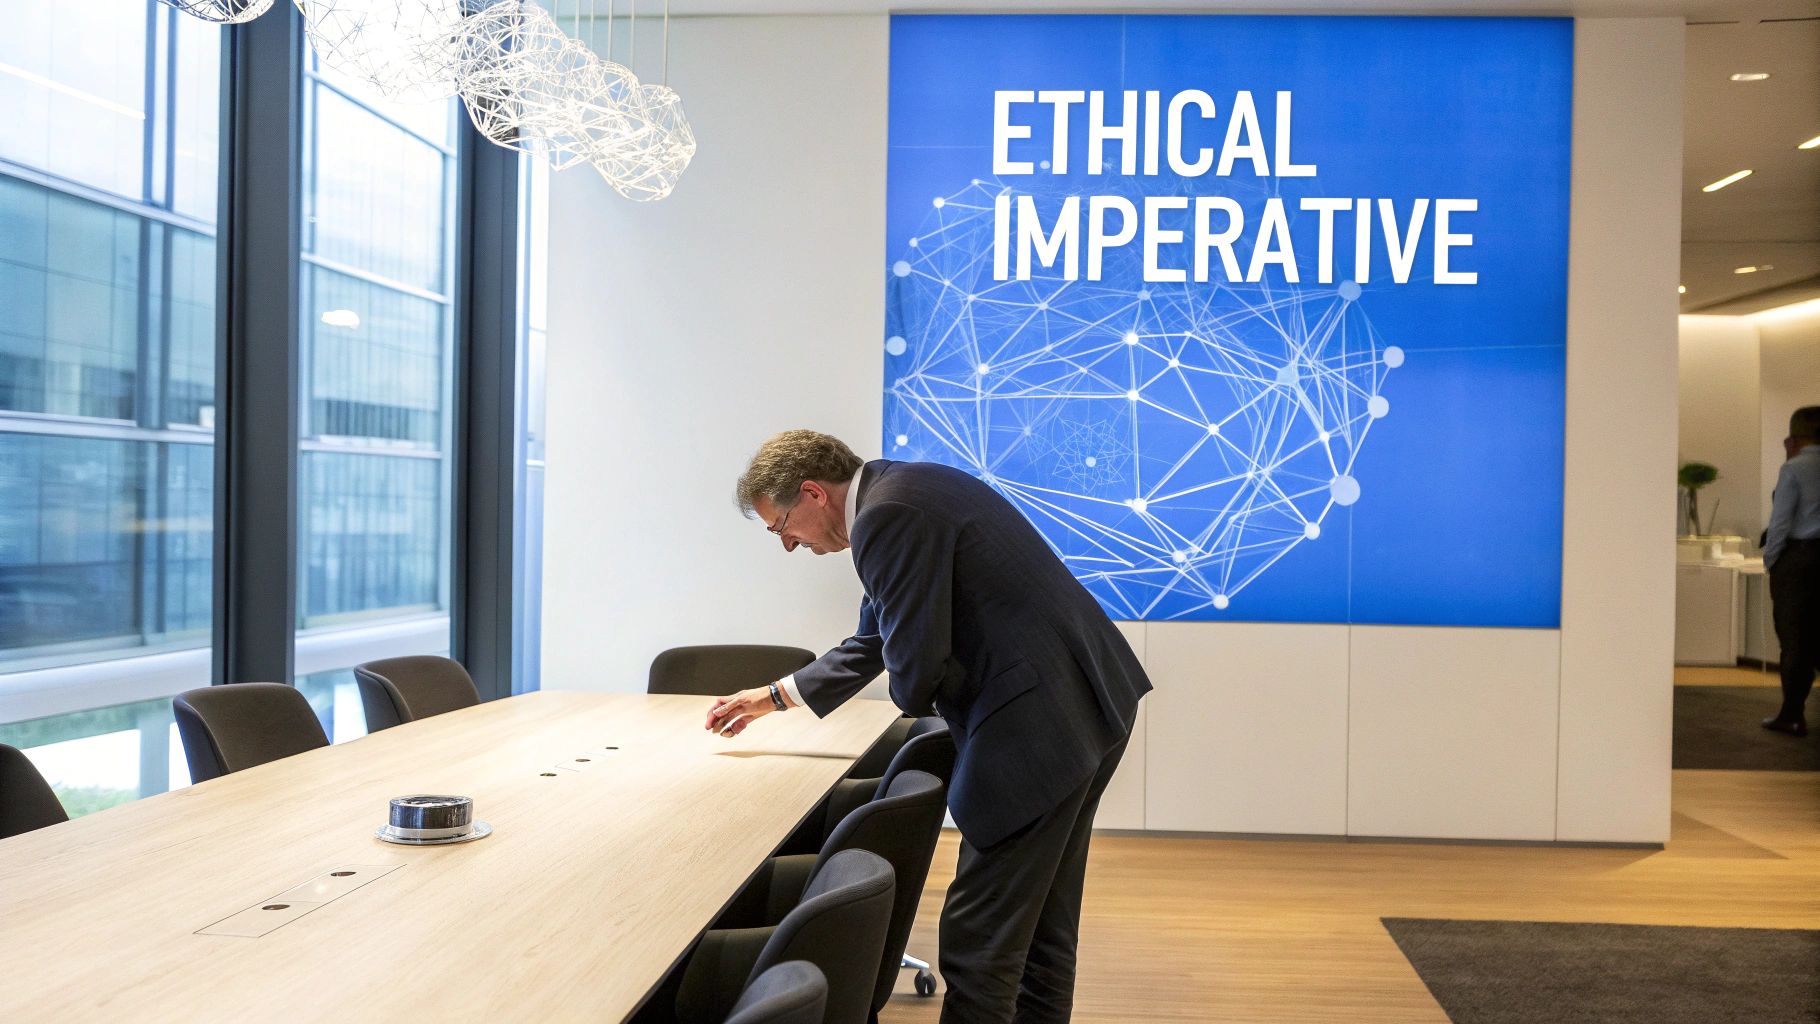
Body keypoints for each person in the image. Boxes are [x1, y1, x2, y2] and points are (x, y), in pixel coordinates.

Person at [706, 429, 1151, 1024]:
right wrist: (774, 696)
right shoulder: (903, 490)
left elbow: (913, 673)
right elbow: (876, 637)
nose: (787, 543)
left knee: (979, 941)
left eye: (779, 525)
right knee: (1043, 924)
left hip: (1034, 727)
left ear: (812, 493)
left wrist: (907, 682)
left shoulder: (887, 517)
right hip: (1088, 702)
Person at [1762, 406, 1820, 737]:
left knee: (1794, 638)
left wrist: (1772, 560)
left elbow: (1780, 521)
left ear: (1795, 434)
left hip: (1799, 559)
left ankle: (1793, 713)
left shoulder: (1794, 469)